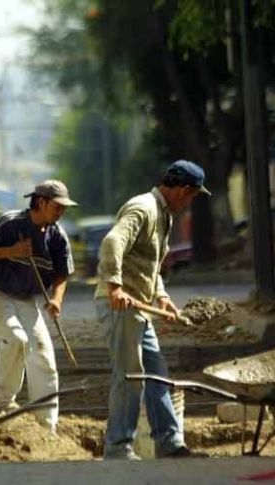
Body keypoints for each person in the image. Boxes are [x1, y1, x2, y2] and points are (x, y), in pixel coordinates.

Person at [95, 160, 211, 460]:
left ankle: (168, 443)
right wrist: (114, 286)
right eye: (192, 197)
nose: (189, 205)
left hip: (140, 307)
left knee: (157, 372)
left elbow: (151, 263)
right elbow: (112, 242)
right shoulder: (143, 208)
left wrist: (161, 295)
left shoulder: (163, 216)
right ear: (183, 190)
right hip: (120, 304)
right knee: (130, 375)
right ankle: (118, 447)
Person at [0, 180, 78, 432]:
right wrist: (11, 250)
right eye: (57, 206)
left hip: (27, 300)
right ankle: (2, 402)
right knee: (17, 340)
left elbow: (62, 274)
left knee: (43, 357)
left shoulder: (57, 236)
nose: (61, 212)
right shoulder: (8, 222)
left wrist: (57, 299)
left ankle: (46, 425)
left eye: (64, 208)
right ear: (40, 202)